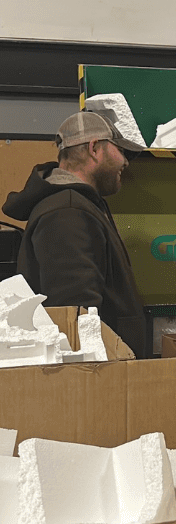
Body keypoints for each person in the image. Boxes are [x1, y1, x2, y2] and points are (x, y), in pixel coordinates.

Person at [2, 110, 150, 357]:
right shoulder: (67, 211)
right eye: (120, 151)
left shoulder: (78, 204)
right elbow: (75, 318)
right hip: (99, 375)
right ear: (94, 148)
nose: (125, 162)